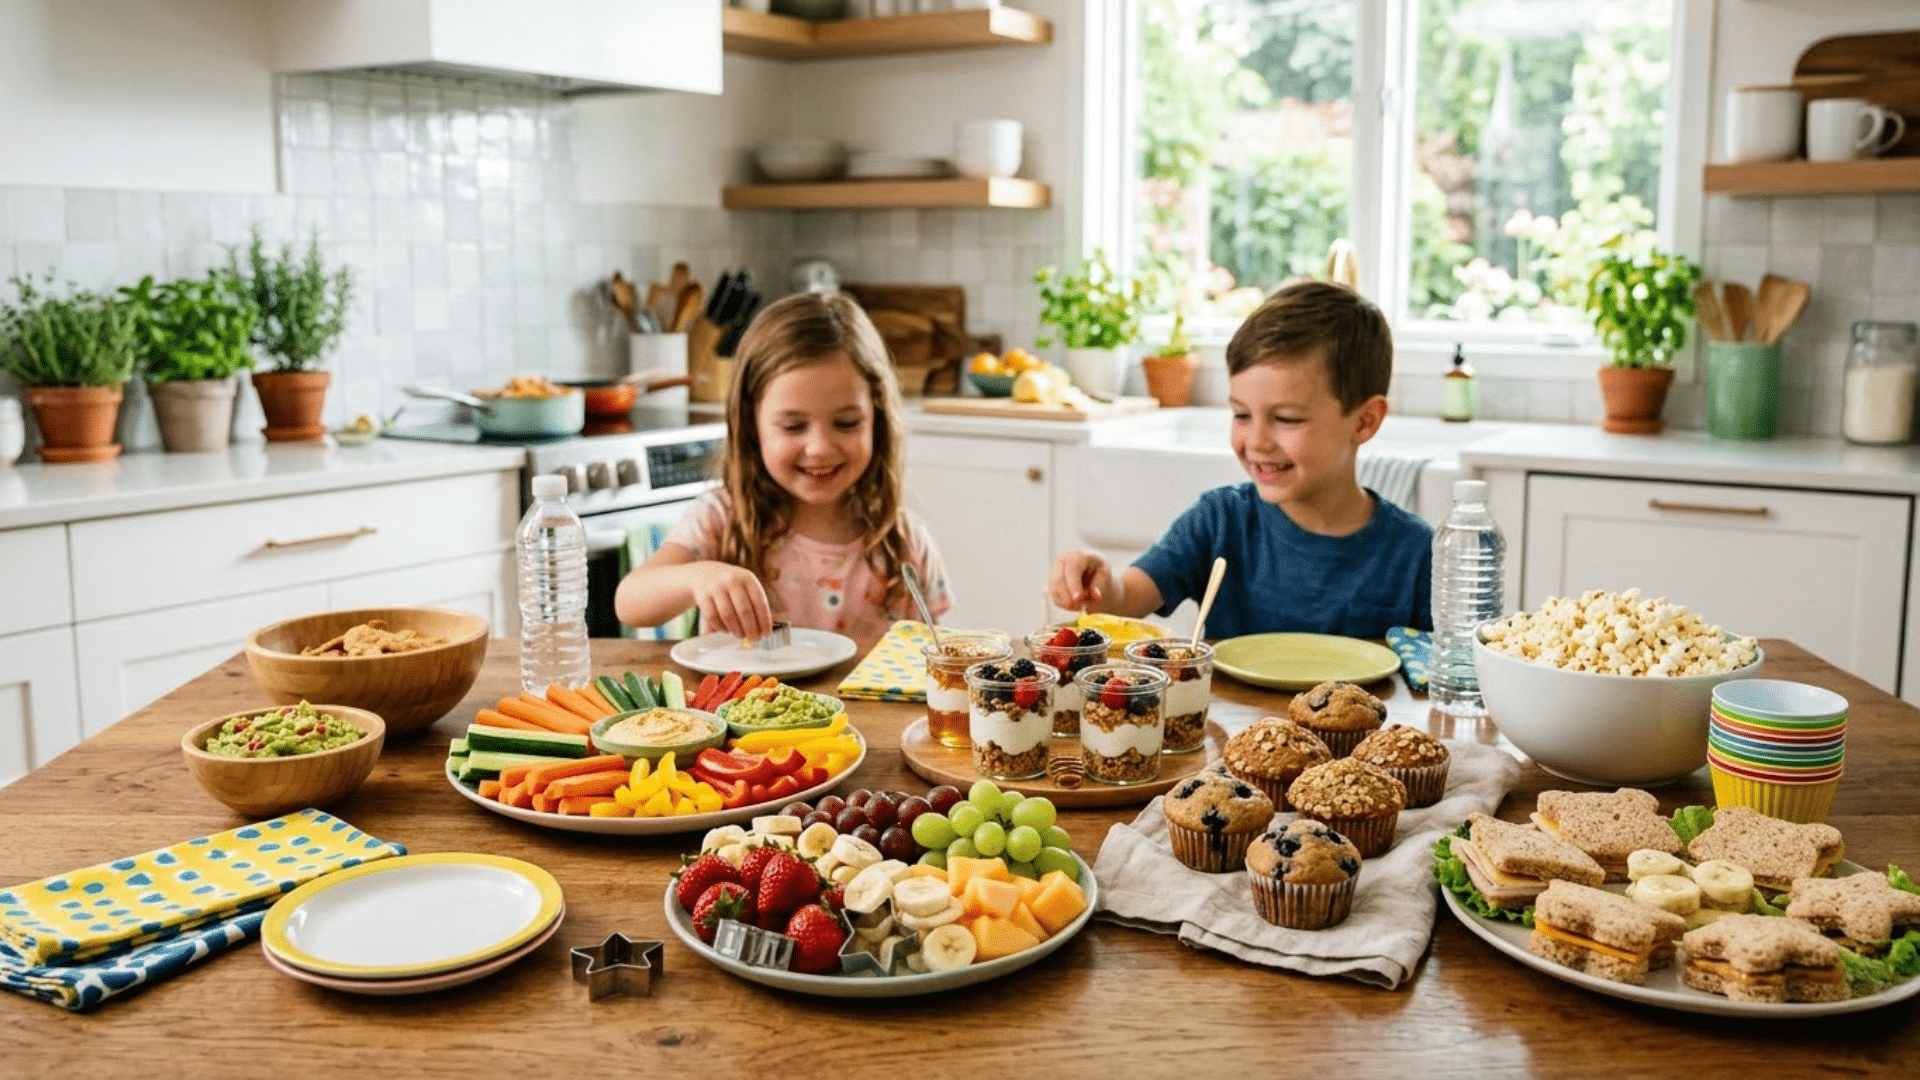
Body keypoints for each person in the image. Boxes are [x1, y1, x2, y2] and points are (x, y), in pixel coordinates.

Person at [1048, 280, 1431, 639]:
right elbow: (1127, 599)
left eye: (1286, 419)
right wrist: (1100, 584)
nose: (1257, 442)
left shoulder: (1417, 554)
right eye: (1241, 415)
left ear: (1364, 422)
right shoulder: (1218, 521)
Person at [615, 291, 952, 641]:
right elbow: (630, 601)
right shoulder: (720, 518)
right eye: (793, 426)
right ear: (751, 425)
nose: (820, 448)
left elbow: (933, 661)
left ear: (877, 421)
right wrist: (697, 577)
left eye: (847, 423)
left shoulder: (905, 542)